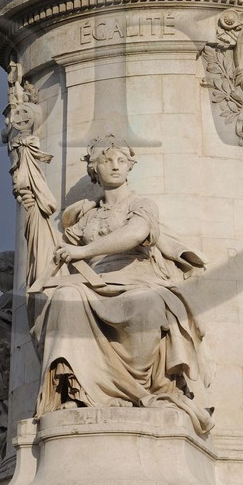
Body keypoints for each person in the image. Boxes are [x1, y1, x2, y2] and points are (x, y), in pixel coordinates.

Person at [29, 137, 211, 433]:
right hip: (94, 281)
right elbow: (57, 249)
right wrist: (34, 215)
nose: (115, 166)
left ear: (130, 168)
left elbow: (136, 233)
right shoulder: (87, 215)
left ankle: (143, 387)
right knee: (65, 295)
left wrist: (83, 251)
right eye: (106, 160)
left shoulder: (140, 205)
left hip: (138, 277)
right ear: (94, 169)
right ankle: (76, 390)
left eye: (122, 161)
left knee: (146, 302)